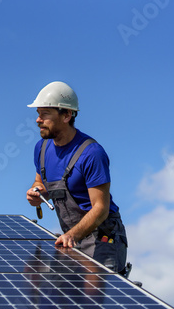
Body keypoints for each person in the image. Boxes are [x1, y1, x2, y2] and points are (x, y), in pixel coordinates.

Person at [26, 81, 128, 274]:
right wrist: (37, 193)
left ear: (66, 115)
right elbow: (40, 182)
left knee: (95, 300)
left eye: (45, 114)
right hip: (72, 236)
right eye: (38, 114)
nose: (38, 120)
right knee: (69, 298)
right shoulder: (41, 149)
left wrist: (72, 235)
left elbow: (100, 208)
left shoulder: (91, 153)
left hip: (102, 237)